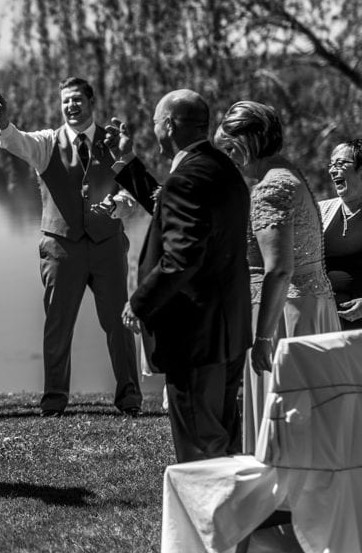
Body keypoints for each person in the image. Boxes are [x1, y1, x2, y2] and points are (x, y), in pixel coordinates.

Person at [107, 89, 251, 462]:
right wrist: (127, 162)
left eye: (156, 121)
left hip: (194, 335)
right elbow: (168, 206)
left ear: (169, 125)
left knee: (200, 448)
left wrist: (139, 303)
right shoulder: (222, 169)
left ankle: (209, 519)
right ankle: (241, 516)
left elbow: (182, 256)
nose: (154, 128)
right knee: (225, 435)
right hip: (228, 327)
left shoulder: (185, 179)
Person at [0, 79, 142, 417]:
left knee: (119, 323)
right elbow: (17, 142)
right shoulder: (47, 143)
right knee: (58, 324)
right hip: (61, 248)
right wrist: (2, 121)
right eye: (65, 101)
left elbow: (133, 190)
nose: (71, 106)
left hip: (107, 245)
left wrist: (117, 205)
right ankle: (54, 399)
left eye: (76, 100)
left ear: (91, 101)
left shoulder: (113, 141)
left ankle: (129, 397)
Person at [212, 101, 338, 454]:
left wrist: (264, 337)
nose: (229, 157)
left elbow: (279, 268)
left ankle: (282, 498)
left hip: (286, 317)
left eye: (231, 147)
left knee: (286, 414)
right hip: (312, 306)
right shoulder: (289, 173)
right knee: (312, 415)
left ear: (252, 139)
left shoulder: (270, 188)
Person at [319, 139, 362, 330]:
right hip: (325, 325)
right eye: (331, 164)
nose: (332, 170)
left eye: (340, 163)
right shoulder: (320, 211)